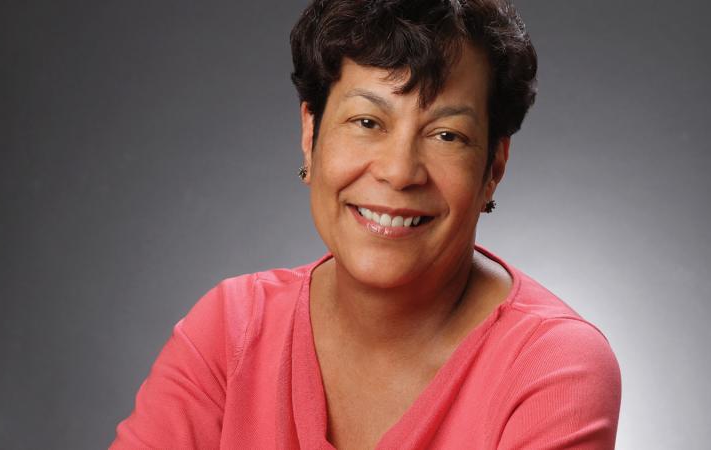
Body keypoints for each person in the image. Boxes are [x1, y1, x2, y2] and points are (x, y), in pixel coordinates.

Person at [110, 0, 622, 448]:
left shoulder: (551, 367)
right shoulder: (229, 332)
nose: (399, 172)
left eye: (446, 135)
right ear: (311, 133)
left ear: (494, 168)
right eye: (367, 122)